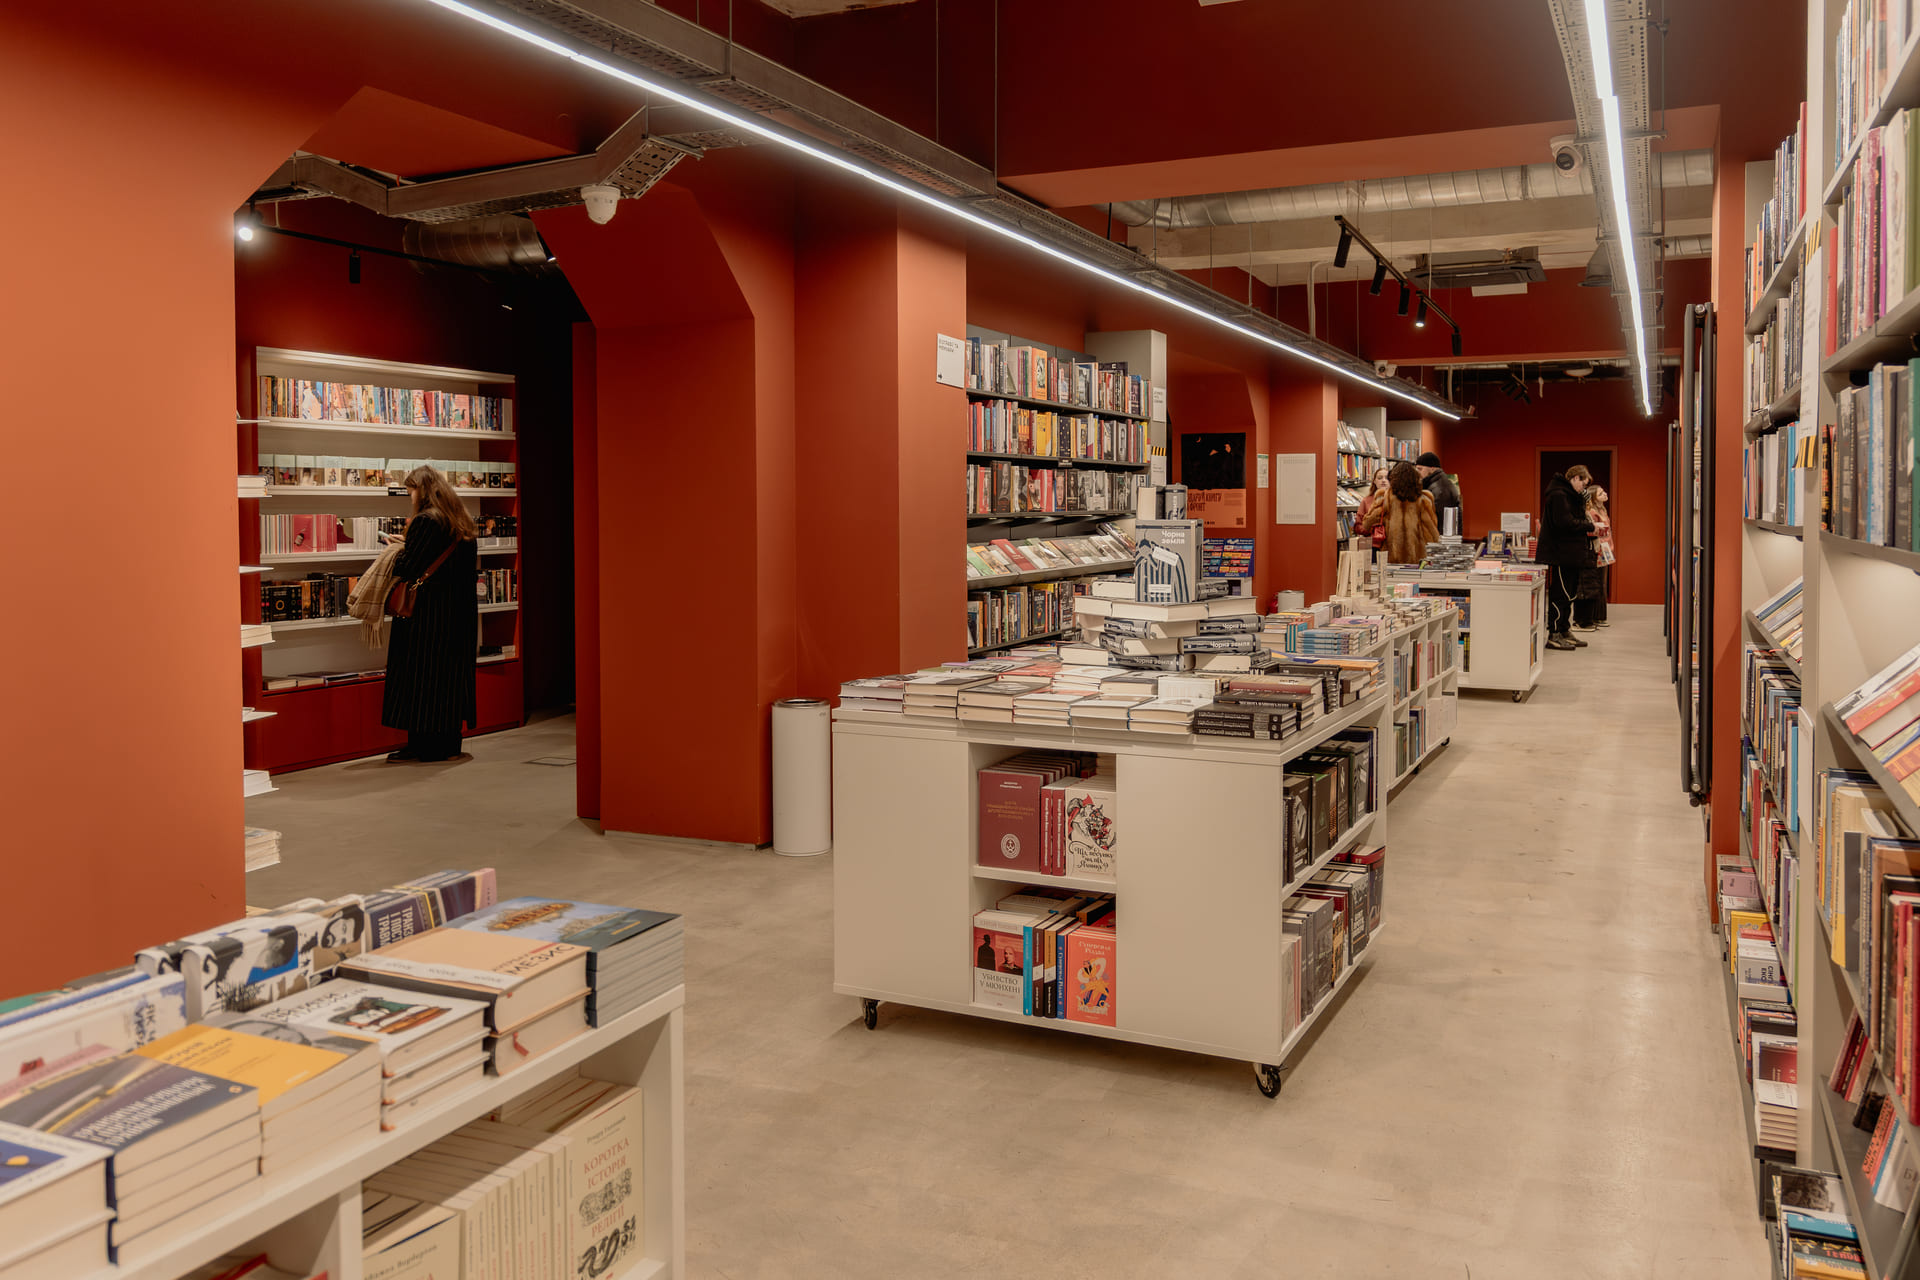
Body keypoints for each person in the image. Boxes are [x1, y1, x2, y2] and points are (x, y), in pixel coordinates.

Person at [382, 465, 478, 762]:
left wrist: (396, 551)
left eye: (411, 489)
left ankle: (423, 746)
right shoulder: (459, 520)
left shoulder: (425, 521)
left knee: (421, 678)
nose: (409, 495)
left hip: (427, 614)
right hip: (458, 613)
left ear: (422, 490)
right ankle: (449, 744)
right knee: (449, 679)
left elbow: (410, 567)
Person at [1538, 464, 1596, 650]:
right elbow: (1565, 523)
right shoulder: (1558, 495)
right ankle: (1554, 632)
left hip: (1572, 553)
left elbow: (1573, 519)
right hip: (1561, 554)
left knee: (1570, 594)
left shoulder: (1570, 496)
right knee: (1560, 594)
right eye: (1583, 484)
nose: (1583, 488)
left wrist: (1581, 502)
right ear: (1575, 478)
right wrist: (1589, 526)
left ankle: (1564, 629)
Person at [1360, 461, 1439, 564]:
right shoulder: (1424, 499)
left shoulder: (1384, 497)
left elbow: (1367, 524)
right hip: (1417, 558)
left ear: (1393, 478)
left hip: (1390, 557)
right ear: (1416, 478)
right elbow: (1431, 531)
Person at [1574, 483, 1614, 631]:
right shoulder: (1591, 512)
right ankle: (1595, 616)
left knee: (1601, 583)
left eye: (1604, 491)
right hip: (1598, 549)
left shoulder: (1602, 509)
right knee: (1596, 583)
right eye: (1600, 493)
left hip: (1606, 549)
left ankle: (1599, 616)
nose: (1605, 494)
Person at [1414, 451, 1462, 531]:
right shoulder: (1441, 483)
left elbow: (1440, 521)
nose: (1417, 473)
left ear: (1432, 468)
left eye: (1420, 469)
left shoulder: (1440, 488)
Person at [1354, 466, 1391, 551]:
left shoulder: (1396, 501)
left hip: (1392, 546)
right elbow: (1357, 526)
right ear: (1374, 481)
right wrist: (1369, 526)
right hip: (1373, 545)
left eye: (1387, 478)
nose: (1384, 480)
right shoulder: (1366, 501)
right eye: (1380, 478)